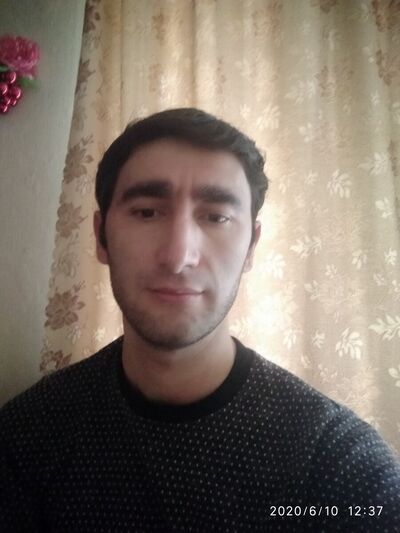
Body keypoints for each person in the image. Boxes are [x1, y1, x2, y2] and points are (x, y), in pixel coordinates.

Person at [1, 108, 399, 533]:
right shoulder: (28, 437)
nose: (179, 257)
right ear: (101, 237)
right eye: (147, 212)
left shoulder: (342, 470)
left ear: (251, 247)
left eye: (216, 217)